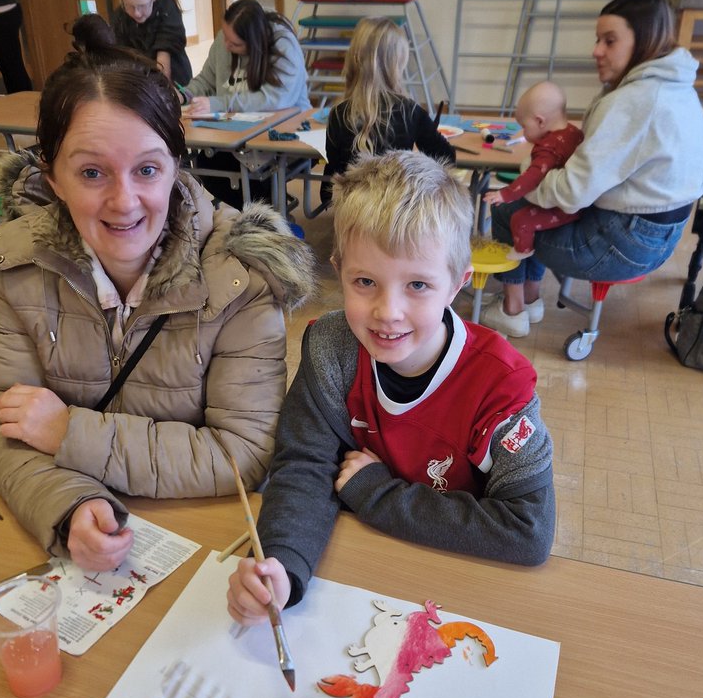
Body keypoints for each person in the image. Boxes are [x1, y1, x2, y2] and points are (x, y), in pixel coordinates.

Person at [0, 18, 316, 574]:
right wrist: (68, 506)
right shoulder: (19, 265)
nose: (124, 202)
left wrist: (68, 432)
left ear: (177, 166)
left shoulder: (241, 275)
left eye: (147, 169)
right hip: (96, 546)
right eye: (91, 173)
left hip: (201, 539)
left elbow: (243, 453)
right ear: (52, 178)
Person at [226, 150, 555, 625]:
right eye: (365, 282)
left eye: (418, 285)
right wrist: (284, 567)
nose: (388, 311)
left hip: (465, 592)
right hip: (367, 576)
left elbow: (529, 531)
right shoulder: (331, 348)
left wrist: (375, 493)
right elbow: (304, 467)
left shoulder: (500, 388)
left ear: (457, 284)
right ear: (339, 270)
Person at [481, 0, 703, 339]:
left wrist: (532, 172)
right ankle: (532, 299)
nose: (596, 50)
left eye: (610, 40)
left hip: (624, 241)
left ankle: (513, 309)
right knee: (534, 207)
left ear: (643, 40)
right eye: (597, 40)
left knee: (508, 209)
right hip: (659, 236)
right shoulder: (674, 86)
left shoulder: (634, 100)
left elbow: (571, 194)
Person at [182, 0, 309, 208]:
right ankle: (262, 212)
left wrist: (220, 103)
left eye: (235, 44)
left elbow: (276, 98)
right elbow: (206, 80)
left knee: (256, 171)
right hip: (234, 133)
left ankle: (267, 215)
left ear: (255, 42)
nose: (226, 45)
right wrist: (184, 95)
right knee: (207, 164)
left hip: (284, 133)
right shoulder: (225, 39)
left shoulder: (283, 43)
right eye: (225, 37)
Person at [323, 16, 456, 203]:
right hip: (394, 210)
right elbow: (446, 157)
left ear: (354, 59)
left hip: (353, 210)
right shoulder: (410, 112)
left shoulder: (338, 114)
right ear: (396, 65)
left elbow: (336, 166)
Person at [482, 81, 584, 259]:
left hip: (563, 209)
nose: (523, 132)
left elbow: (533, 176)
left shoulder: (548, 148)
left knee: (520, 220)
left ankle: (523, 251)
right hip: (576, 200)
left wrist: (505, 194)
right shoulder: (573, 131)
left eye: (524, 127)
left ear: (540, 121)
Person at [109, 0, 192, 87]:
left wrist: (162, 95)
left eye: (142, 6)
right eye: (129, 6)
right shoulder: (119, 18)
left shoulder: (167, 10)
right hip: (139, 78)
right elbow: (121, 60)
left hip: (173, 79)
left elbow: (163, 64)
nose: (136, 13)